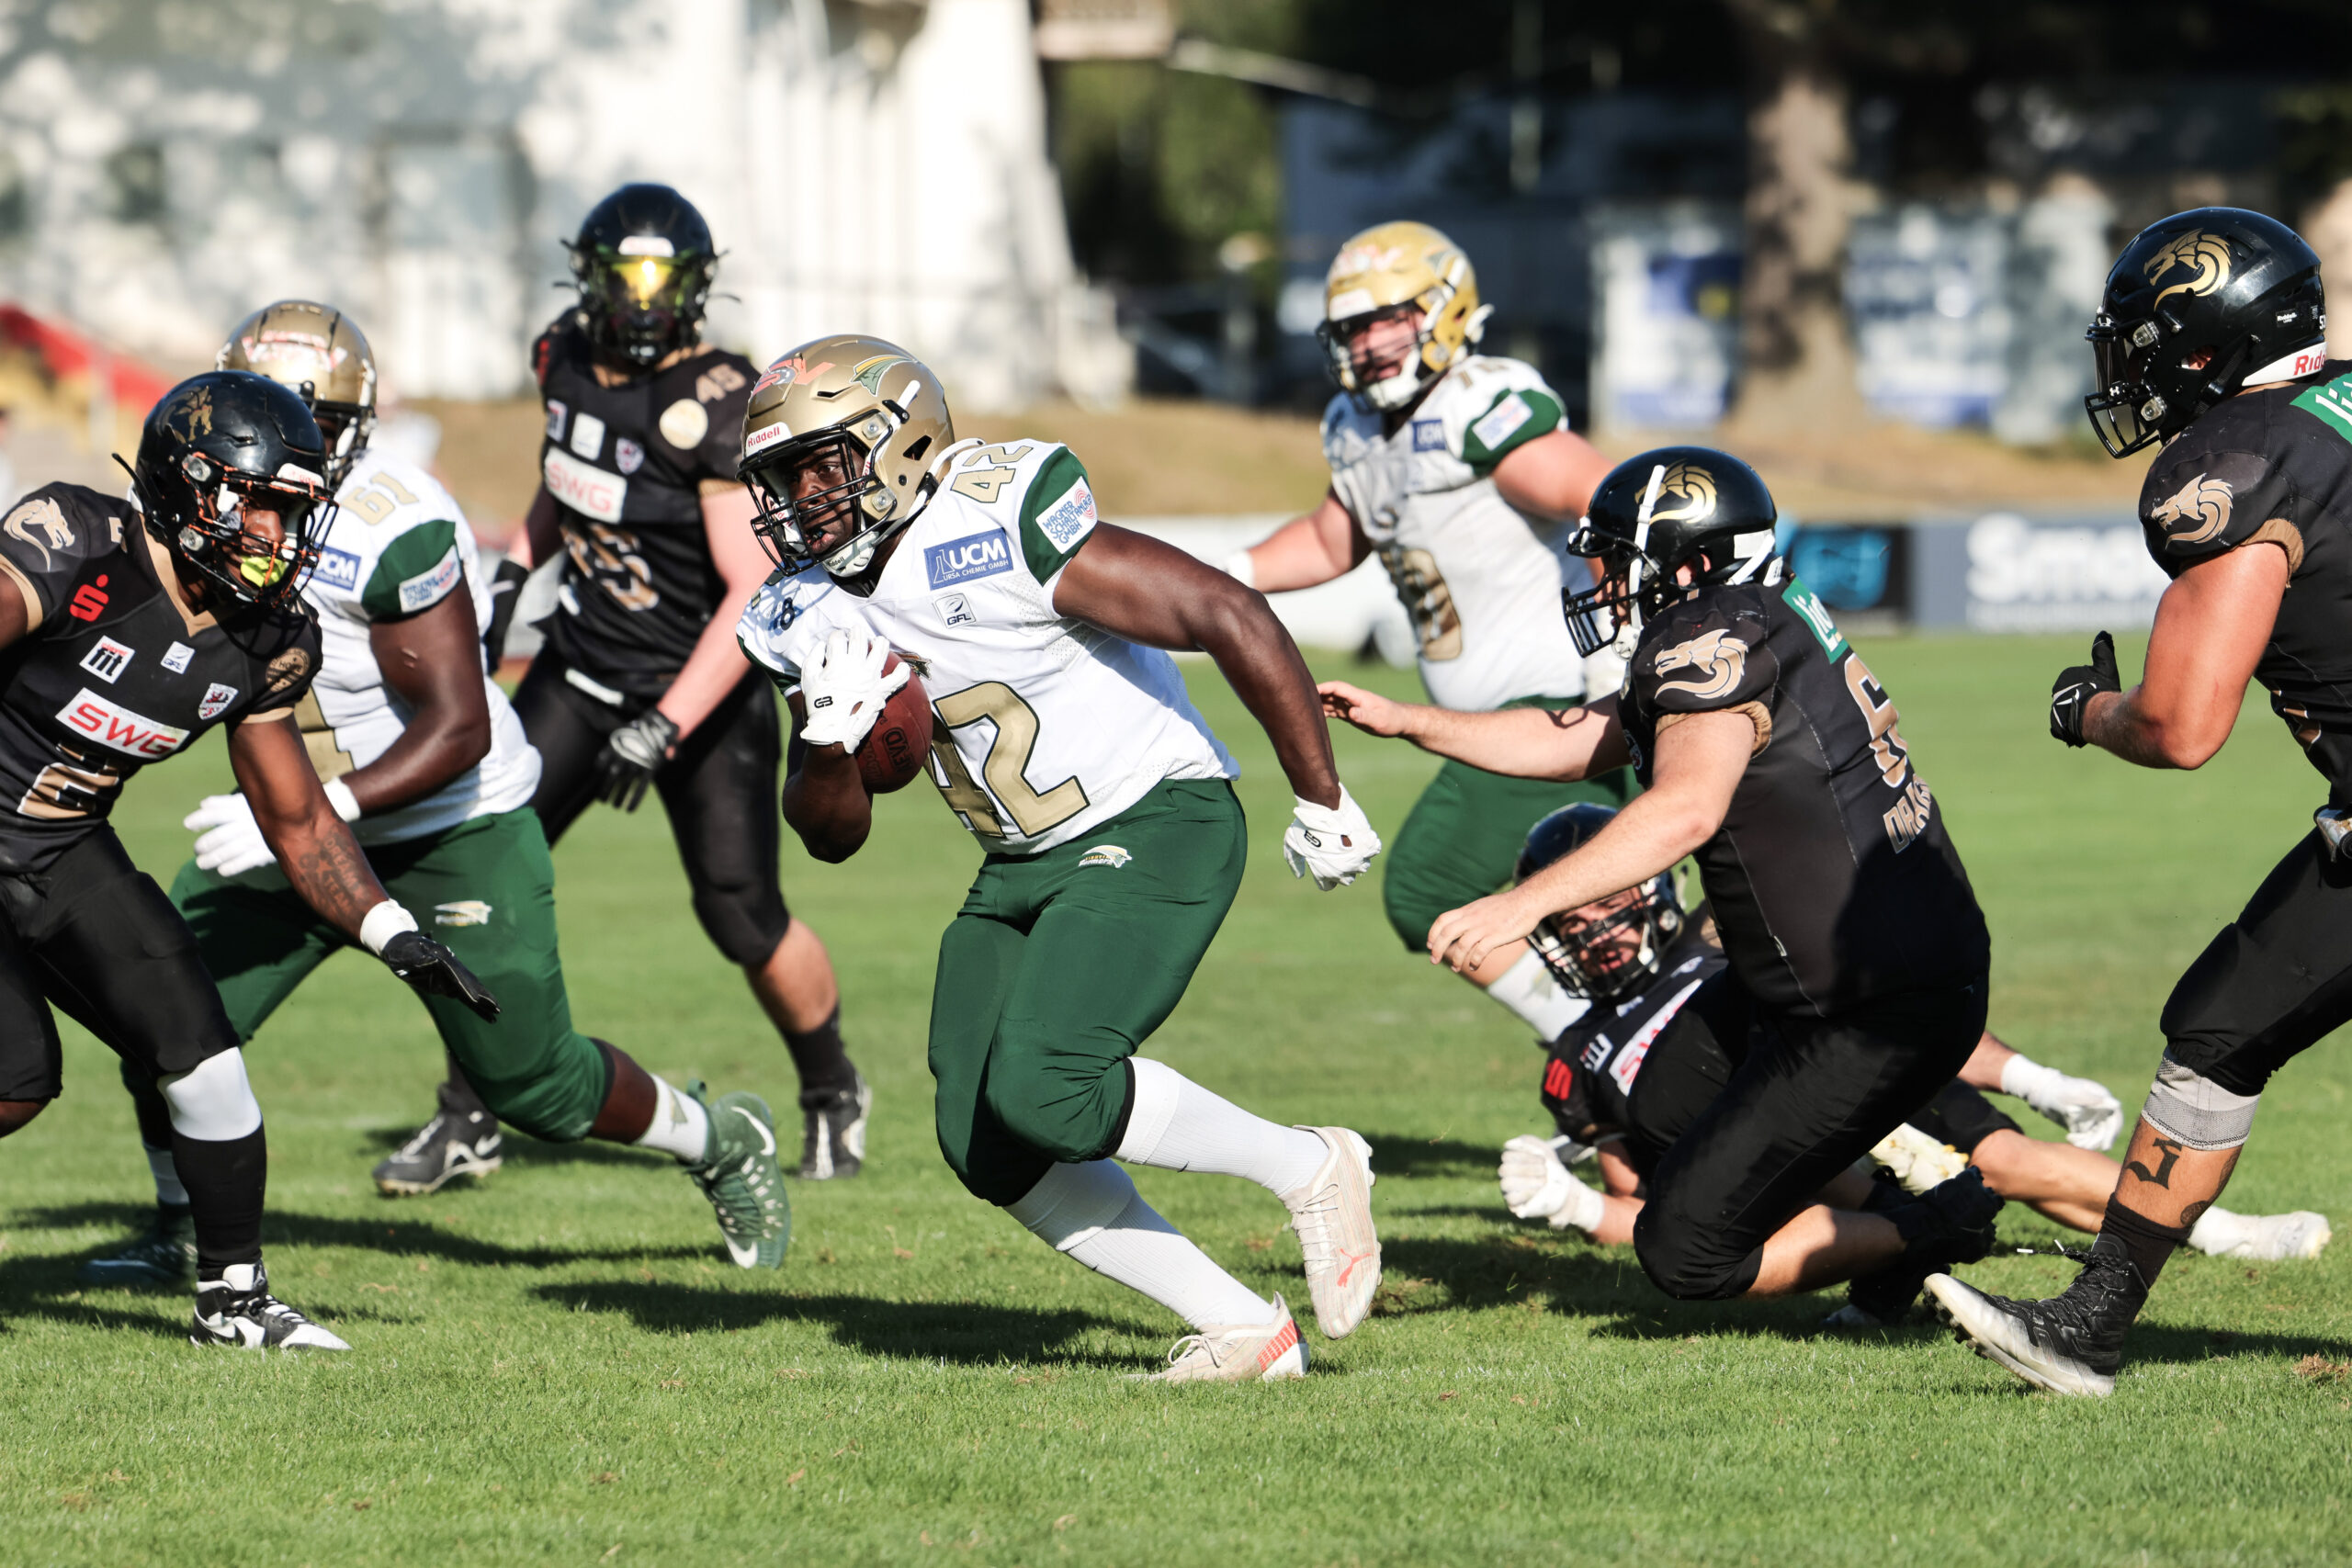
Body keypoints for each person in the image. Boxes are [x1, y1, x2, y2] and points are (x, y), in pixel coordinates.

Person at [75, 302, 788, 1284]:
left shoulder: (386, 527)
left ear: (355, 424)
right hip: (298, 818)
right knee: (163, 1022)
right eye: (265, 415)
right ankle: (180, 1229)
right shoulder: (203, 515)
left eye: (312, 419)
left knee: (535, 1085)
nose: (287, 450)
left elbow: (456, 729)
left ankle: (718, 1137)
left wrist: (318, 819)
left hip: (451, 824)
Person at [735, 335, 1385, 1382]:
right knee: (980, 1139)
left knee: (1046, 1087)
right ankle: (1242, 1331)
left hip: (1156, 813)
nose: (801, 498)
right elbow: (832, 832)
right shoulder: (800, 610)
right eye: (782, 476)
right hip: (1020, 858)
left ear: (897, 443)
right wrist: (825, 739)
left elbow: (1227, 610)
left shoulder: (995, 517)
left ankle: (1310, 1163)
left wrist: (1321, 793)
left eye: (822, 464)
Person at [1324, 446, 2005, 1309]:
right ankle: (1886, 1227)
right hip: (1837, 972)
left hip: (1869, 1002)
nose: (1601, 576)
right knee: (1663, 1105)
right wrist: (1407, 720)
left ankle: (1934, 1225)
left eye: (1616, 556)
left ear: (1686, 561)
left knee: (1685, 1250)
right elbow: (1579, 739)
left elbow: (1687, 809)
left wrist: (1519, 904)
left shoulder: (1708, 638)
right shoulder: (1752, 614)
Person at [1930, 208, 2352, 1397]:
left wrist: (2087, 711)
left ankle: (2092, 1324)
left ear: (2203, 341)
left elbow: (2183, 725)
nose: (2127, 372)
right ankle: (2091, 1322)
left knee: (2219, 1034)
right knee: (2220, 1025)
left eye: (2144, 343)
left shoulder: (2237, 462)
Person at [0, 369, 496, 1348]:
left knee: (205, 1054)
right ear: (188, 488)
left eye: (291, 511)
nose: (277, 534)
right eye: (259, 504)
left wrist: (390, 931)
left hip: (61, 845)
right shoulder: (72, 545)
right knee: (16, 1078)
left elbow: (299, 819)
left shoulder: (267, 637)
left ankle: (233, 1301)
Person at [391, 183, 869, 1185]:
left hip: (705, 684)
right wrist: (520, 564)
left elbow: (750, 593)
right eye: (630, 275)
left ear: (696, 288)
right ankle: (469, 1112)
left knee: (739, 911)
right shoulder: (560, 354)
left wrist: (662, 726)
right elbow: (568, 470)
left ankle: (831, 1089)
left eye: (667, 278)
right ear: (591, 276)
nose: (647, 299)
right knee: (477, 879)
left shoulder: (716, 403)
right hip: (580, 663)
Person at [1493, 806, 2329, 1326]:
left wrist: (2030, 1078)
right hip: (1786, 1154)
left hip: (1841, 1061)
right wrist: (1570, 1202)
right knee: (1865, 1189)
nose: (1595, 926)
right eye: (1572, 917)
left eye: (1603, 900)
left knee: (2009, 1162)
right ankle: (1899, 1258)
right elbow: (1644, 1195)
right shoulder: (1578, 1060)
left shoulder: (1718, 934)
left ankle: (2219, 1231)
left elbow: (1886, 1002)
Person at [1226, 221, 1629, 1042]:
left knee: (1429, 882)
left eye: (1388, 318)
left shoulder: (1477, 407)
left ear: (1444, 310)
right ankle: (1638, 1074)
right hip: (1491, 715)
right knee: (1583, 923)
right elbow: (1338, 536)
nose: (1369, 343)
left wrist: (1622, 645)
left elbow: (1610, 501)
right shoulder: (1354, 424)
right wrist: (1219, 577)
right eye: (1353, 326)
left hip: (1554, 702)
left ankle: (1610, 1058)